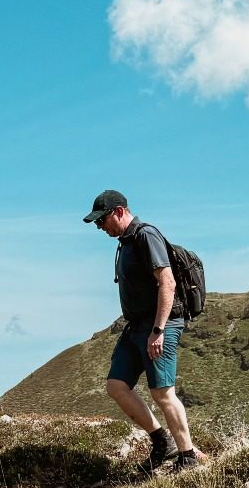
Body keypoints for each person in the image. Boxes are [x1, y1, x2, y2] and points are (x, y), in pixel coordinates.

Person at [83, 189, 201, 472]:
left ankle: (188, 457)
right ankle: (162, 441)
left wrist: (158, 330)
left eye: (103, 220)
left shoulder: (146, 235)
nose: (100, 227)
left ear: (119, 212)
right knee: (116, 386)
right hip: (136, 326)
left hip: (159, 325)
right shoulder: (125, 242)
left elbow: (167, 282)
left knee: (162, 392)